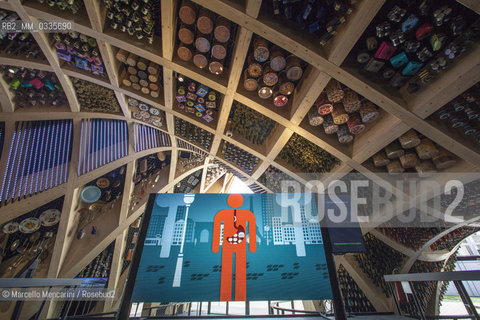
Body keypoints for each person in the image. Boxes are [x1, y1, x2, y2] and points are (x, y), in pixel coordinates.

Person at [212, 194, 256, 301]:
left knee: (228, 270)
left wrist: (216, 246)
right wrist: (252, 246)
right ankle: (238, 295)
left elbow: (217, 228)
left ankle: (225, 295)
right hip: (239, 245)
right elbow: (252, 229)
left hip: (228, 244)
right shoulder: (247, 214)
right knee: (239, 269)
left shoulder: (222, 213)